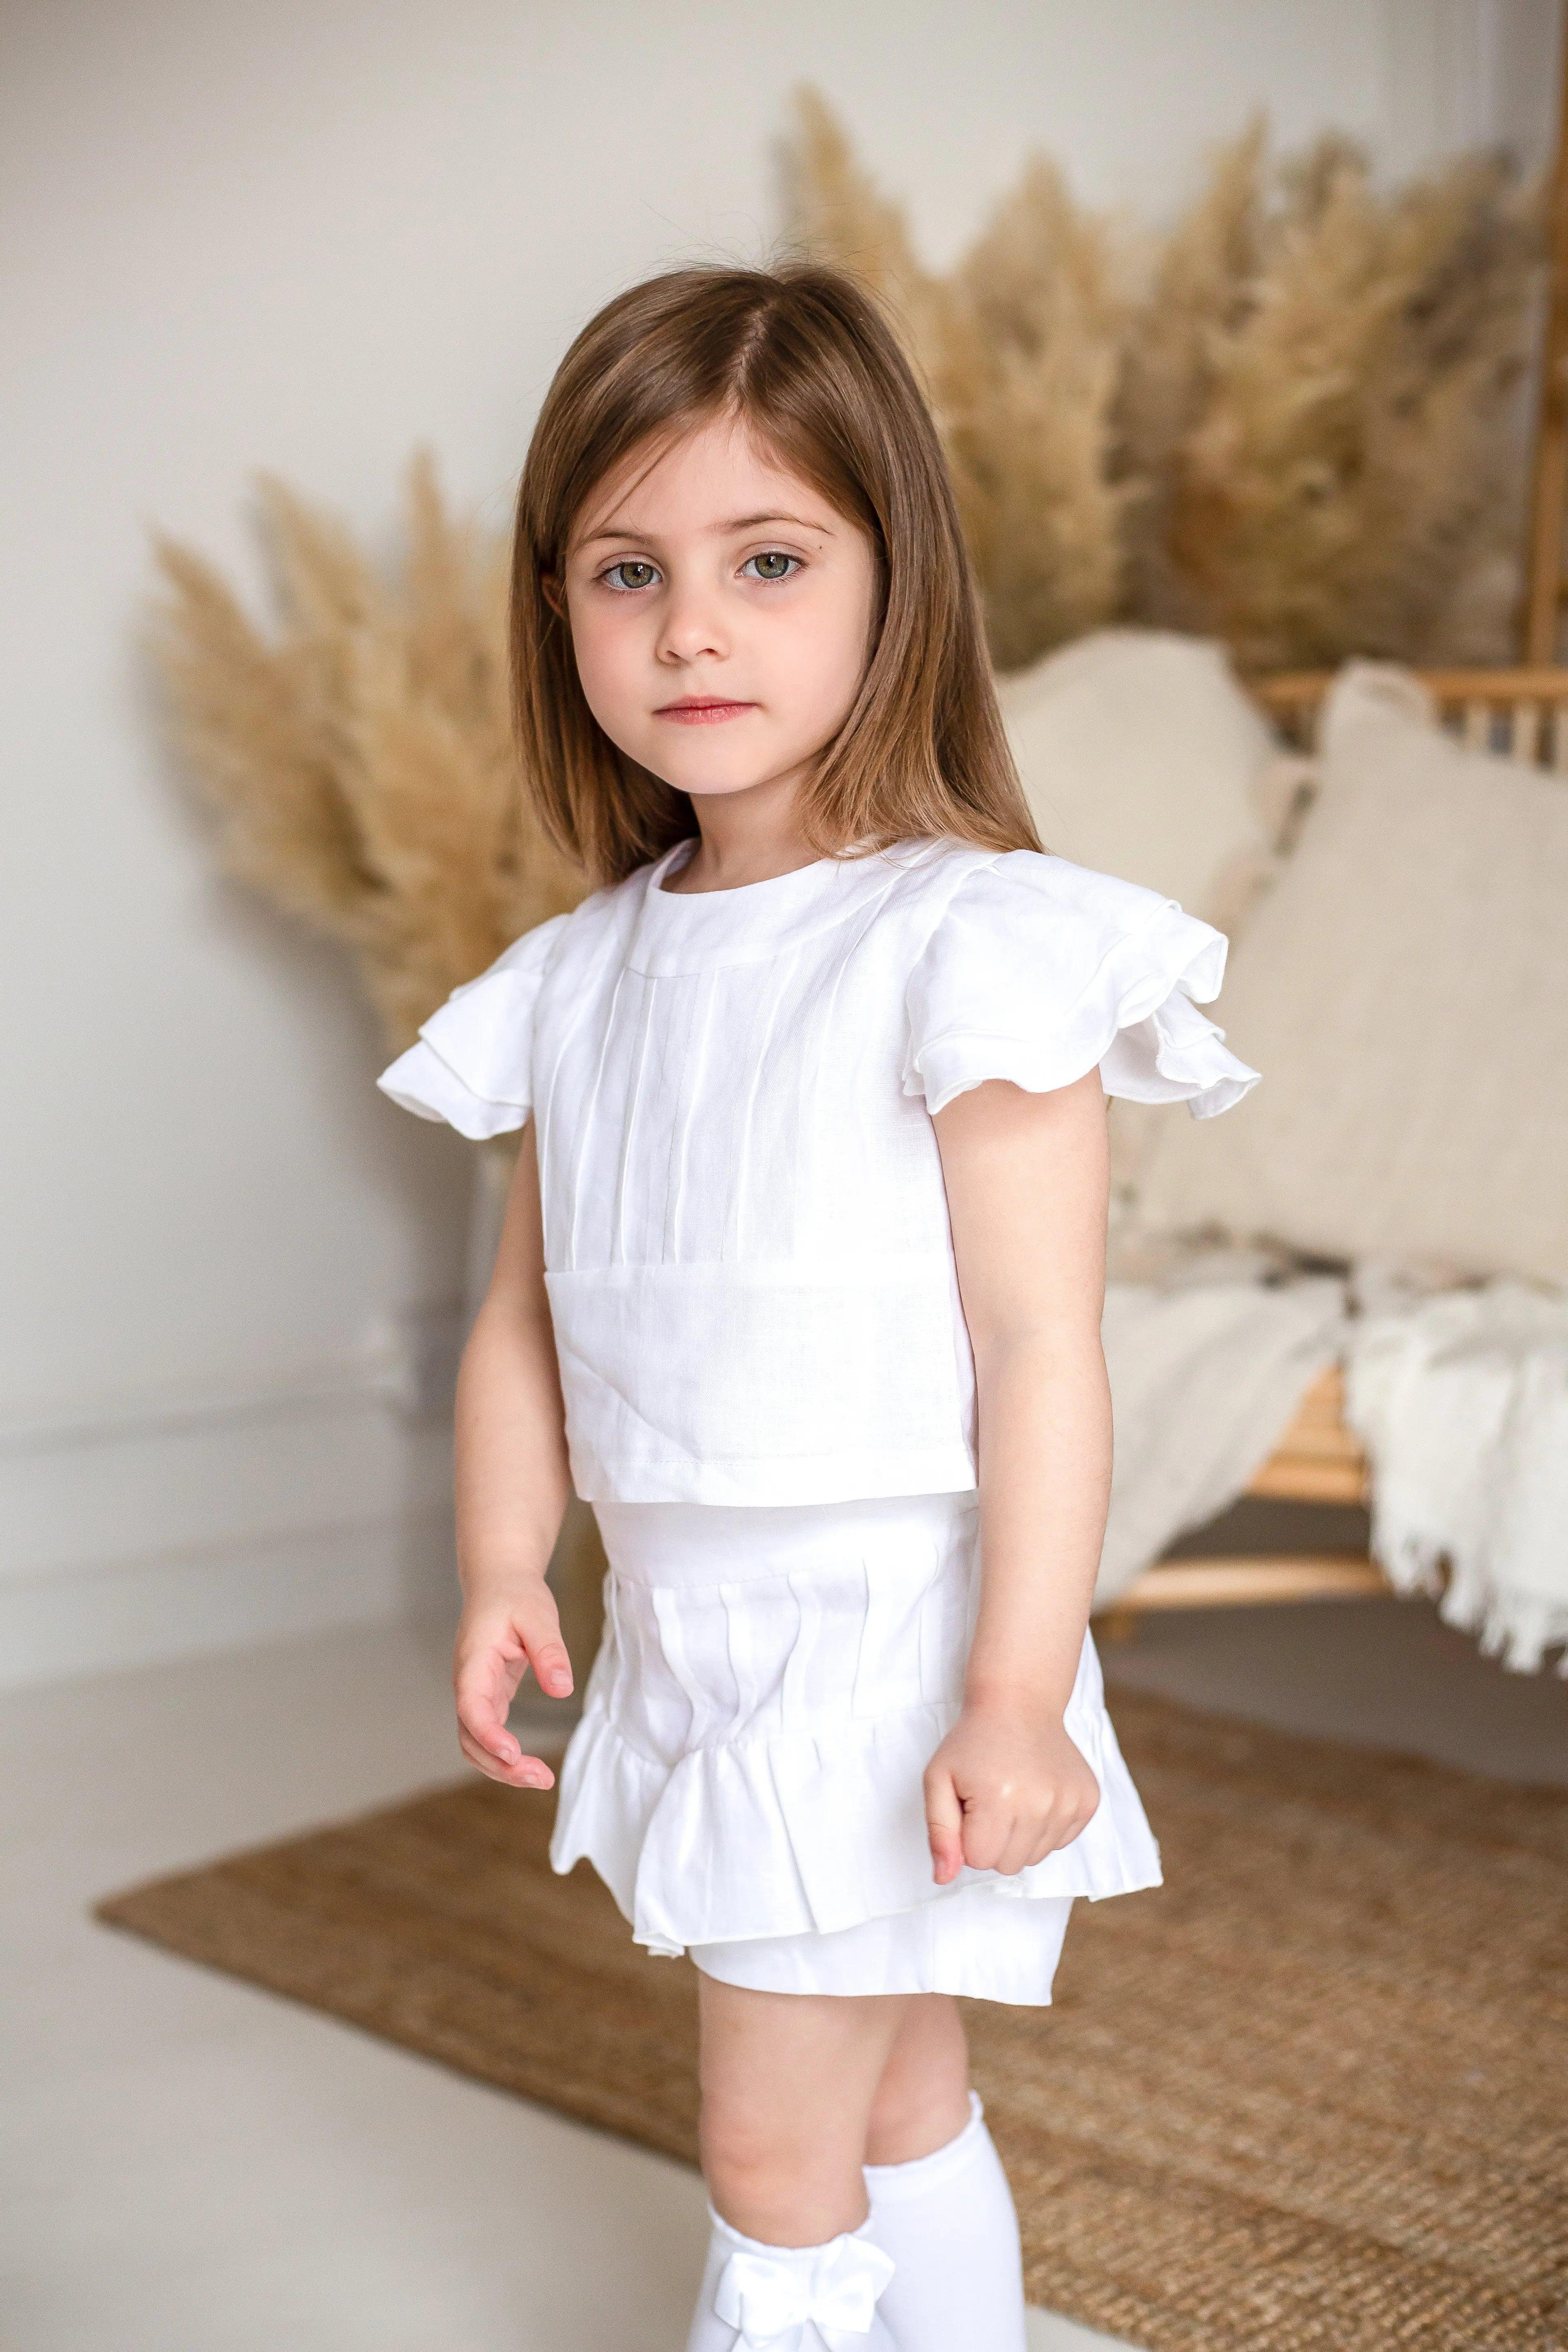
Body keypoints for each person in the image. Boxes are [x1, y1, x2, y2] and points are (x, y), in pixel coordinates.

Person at [378, 260, 1259, 2352]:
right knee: (896, 2089)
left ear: (895, 581)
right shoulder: (574, 977)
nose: (691, 626)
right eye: (626, 570)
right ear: (560, 610)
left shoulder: (976, 946)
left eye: (767, 559)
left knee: (775, 2156)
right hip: (693, 1626)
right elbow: (526, 1317)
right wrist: (512, 1558)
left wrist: (1023, 1689)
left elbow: (1045, 1347)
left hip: (894, 1639)